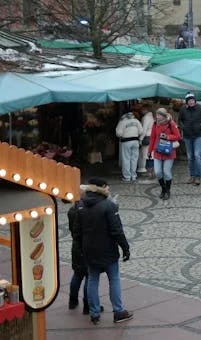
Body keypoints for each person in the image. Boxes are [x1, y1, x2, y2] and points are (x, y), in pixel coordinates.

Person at [72, 178, 133, 325]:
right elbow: (117, 230)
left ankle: (94, 313)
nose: (109, 190)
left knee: (93, 279)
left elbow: (77, 232)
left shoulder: (80, 206)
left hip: (89, 250)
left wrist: (80, 249)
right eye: (107, 187)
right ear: (101, 188)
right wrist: (125, 248)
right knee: (114, 279)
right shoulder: (108, 206)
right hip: (108, 250)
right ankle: (118, 311)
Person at [148, 108, 182, 200]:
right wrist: (149, 150)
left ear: (163, 115)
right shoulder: (155, 124)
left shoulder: (171, 123)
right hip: (157, 151)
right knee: (158, 172)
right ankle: (163, 189)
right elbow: (152, 138)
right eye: (156, 115)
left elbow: (178, 136)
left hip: (168, 152)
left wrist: (167, 137)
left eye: (159, 115)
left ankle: (167, 190)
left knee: (167, 172)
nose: (157, 117)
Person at [178, 92, 201, 185]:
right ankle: (192, 175)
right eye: (189, 101)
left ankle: (198, 176)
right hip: (187, 135)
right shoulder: (183, 109)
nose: (191, 102)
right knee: (190, 157)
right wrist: (183, 127)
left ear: (195, 101)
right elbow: (179, 120)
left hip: (198, 135)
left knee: (197, 155)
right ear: (187, 102)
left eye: (192, 100)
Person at [115, 112, 144, 182]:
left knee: (126, 159)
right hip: (135, 141)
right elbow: (141, 131)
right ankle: (133, 175)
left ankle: (127, 176)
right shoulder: (137, 121)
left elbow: (118, 133)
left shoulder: (122, 122)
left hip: (126, 141)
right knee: (134, 159)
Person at [138, 105, 155, 179]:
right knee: (151, 155)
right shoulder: (152, 117)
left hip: (147, 137)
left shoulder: (146, 118)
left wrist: (140, 139)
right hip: (152, 137)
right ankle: (152, 172)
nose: (141, 111)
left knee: (148, 156)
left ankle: (150, 173)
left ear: (145, 109)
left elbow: (144, 130)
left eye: (142, 109)